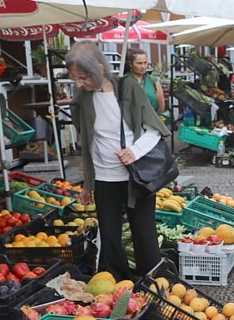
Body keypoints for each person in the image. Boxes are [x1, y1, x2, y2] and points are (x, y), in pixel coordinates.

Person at [66, 41, 170, 281]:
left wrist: (134, 151)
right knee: (110, 238)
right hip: (105, 178)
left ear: (99, 69)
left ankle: (152, 282)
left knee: (144, 234)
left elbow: (154, 130)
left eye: (83, 77)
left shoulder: (128, 88)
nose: (79, 84)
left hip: (136, 175)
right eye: (75, 79)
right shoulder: (83, 97)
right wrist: (88, 183)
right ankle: (120, 284)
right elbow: (88, 141)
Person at [124, 48, 165, 113]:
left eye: (145, 63)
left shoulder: (153, 80)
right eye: (139, 63)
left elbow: (161, 106)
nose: (143, 66)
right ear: (130, 64)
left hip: (151, 118)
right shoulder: (123, 80)